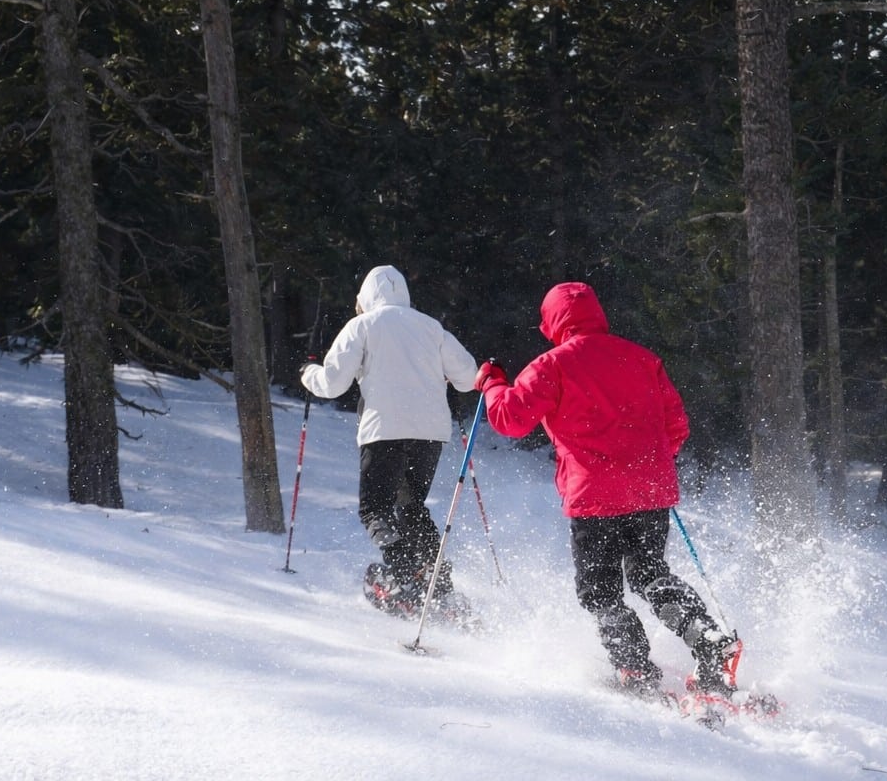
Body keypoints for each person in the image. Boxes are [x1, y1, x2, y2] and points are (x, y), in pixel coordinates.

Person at [474, 281, 738, 697]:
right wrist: (642, 461)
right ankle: (708, 640)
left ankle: (633, 668)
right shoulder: (643, 358)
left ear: (551, 322)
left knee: (600, 590)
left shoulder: (553, 365)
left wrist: (491, 382)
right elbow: (677, 427)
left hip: (594, 496)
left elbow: (509, 419)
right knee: (651, 573)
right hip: (650, 490)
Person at [301, 265, 478, 615]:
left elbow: (333, 384)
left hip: (383, 430)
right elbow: (469, 377)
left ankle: (401, 574)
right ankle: (436, 580)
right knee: (411, 506)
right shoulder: (431, 327)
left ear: (366, 297)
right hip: (429, 432)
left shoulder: (362, 326)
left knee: (375, 509)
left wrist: (308, 375)